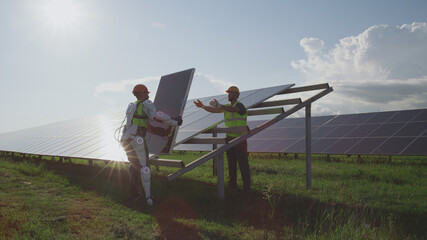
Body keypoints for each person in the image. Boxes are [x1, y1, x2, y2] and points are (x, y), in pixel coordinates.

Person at [120, 84, 182, 206]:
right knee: (145, 167)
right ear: (142, 93)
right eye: (146, 93)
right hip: (137, 139)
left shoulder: (132, 106)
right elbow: (157, 115)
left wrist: (162, 132)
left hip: (126, 140)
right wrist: (174, 121)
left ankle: (134, 195)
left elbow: (139, 124)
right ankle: (148, 198)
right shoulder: (147, 103)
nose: (148, 95)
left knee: (134, 166)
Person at [194, 86, 251, 192]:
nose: (229, 95)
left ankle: (247, 188)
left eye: (231, 93)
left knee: (243, 163)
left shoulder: (240, 105)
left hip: (240, 138)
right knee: (231, 163)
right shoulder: (225, 107)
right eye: (228, 93)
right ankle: (232, 185)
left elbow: (235, 109)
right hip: (229, 138)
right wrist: (203, 106)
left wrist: (220, 106)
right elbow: (214, 110)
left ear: (237, 95)